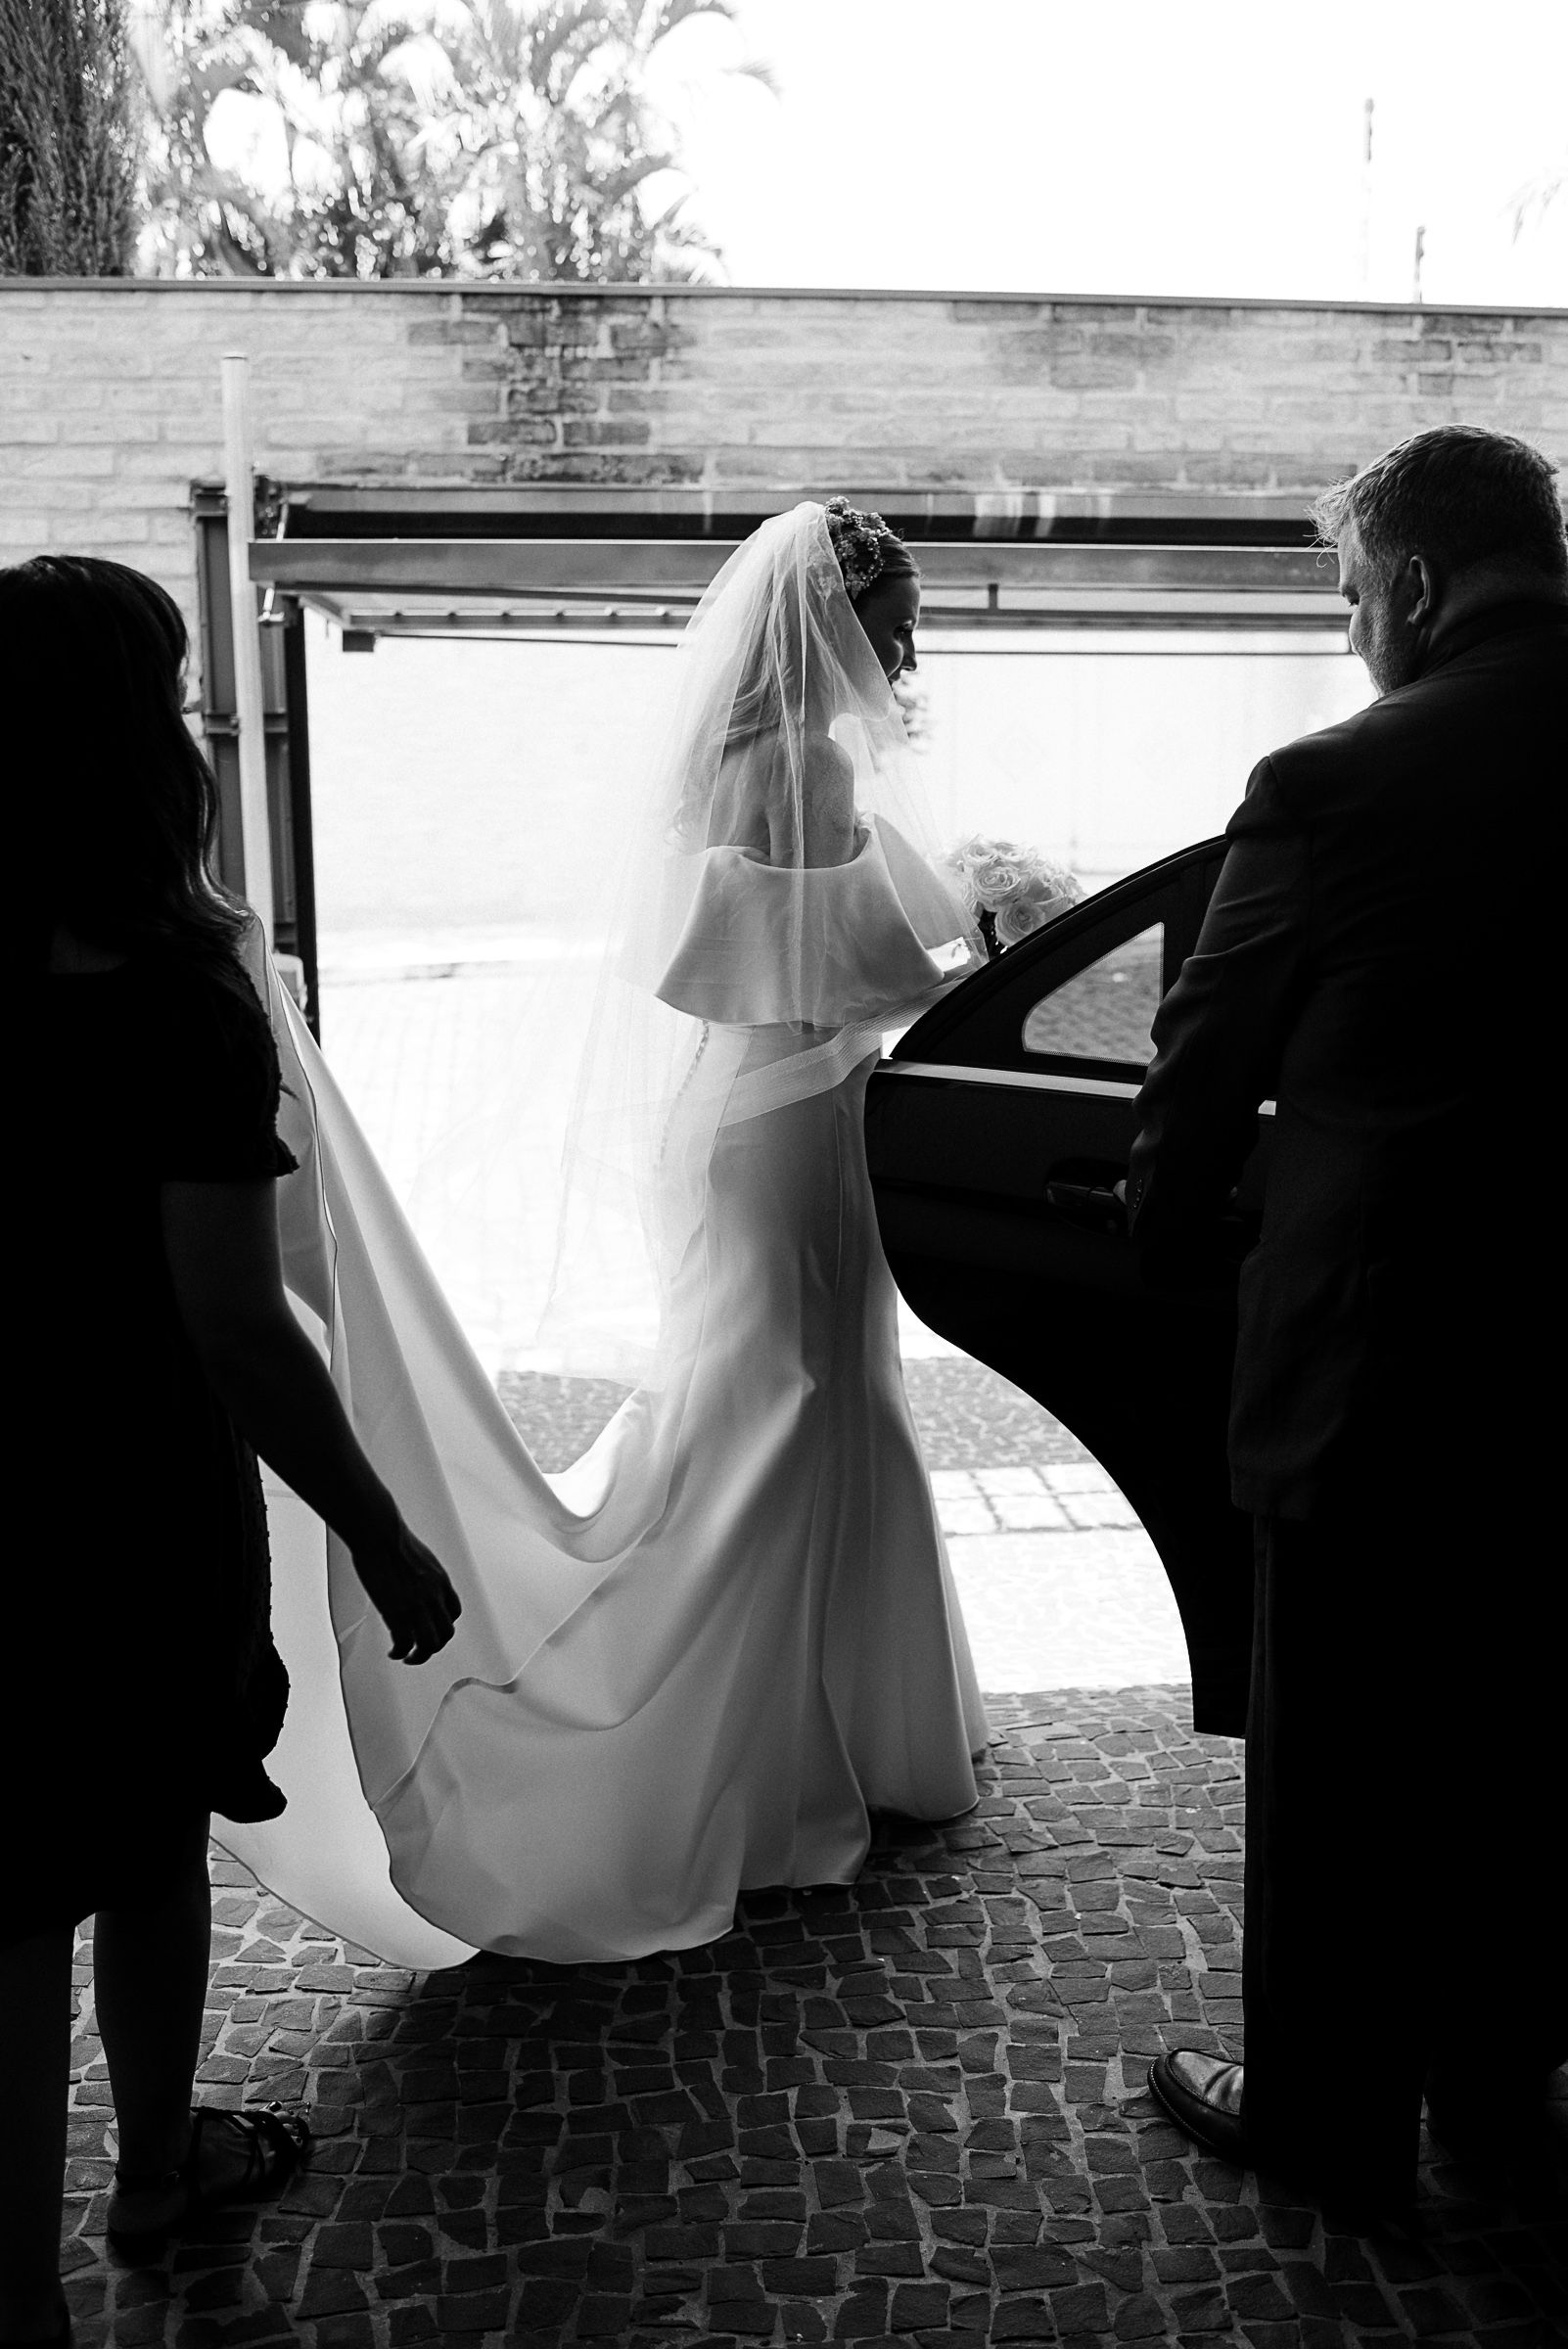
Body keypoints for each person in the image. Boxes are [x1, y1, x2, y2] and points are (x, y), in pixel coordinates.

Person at [203, 498, 991, 1970]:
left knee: (797, 1410)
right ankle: (755, 1759)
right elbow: (825, 979)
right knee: (789, 1419)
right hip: (794, 1125)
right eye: (895, 622)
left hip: (760, 1119)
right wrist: (986, 938)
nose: (907, 649)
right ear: (832, 622)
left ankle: (836, 1731)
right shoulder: (802, 768)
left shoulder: (745, 764)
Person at [1, 557, 462, 2349]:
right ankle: (153, 2176)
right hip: (118, 1492)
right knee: (138, 1841)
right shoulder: (169, 994)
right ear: (136, 747)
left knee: (13, 1886)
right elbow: (234, 1323)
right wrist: (383, 1534)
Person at [1125, 426, 1567, 2208]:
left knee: (1347, 1750)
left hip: (1377, 1356)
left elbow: (1199, 1064)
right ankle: (1497, 2083)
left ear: (1404, 582)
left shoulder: (1331, 780)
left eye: (1345, 597)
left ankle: (1323, 2111)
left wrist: (1160, 1244)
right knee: (1541, 1725)